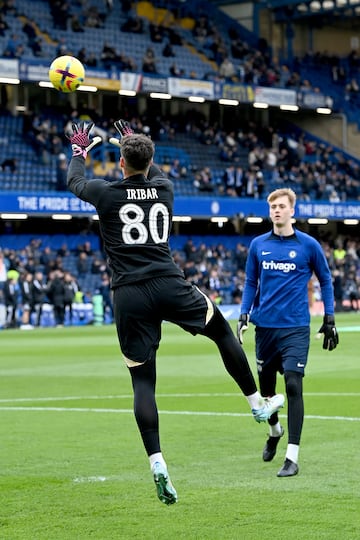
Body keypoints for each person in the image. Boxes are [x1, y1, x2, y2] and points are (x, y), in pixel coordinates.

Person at [66, 119, 284, 505]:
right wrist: (134, 140)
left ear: (119, 163)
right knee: (221, 331)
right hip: (169, 284)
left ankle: (157, 462)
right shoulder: (164, 188)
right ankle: (256, 403)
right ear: (150, 162)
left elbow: (76, 182)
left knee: (143, 383)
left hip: (129, 295)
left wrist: (80, 151)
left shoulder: (107, 194)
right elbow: (153, 171)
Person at [237, 187, 339, 478]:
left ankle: (292, 457)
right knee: (267, 394)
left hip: (295, 328)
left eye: (282, 206)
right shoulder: (258, 245)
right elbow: (250, 282)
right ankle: (274, 431)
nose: (277, 211)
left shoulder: (308, 245)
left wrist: (329, 316)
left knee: (293, 385)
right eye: (273, 207)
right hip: (264, 328)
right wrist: (244, 312)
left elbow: (326, 280)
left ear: (292, 210)